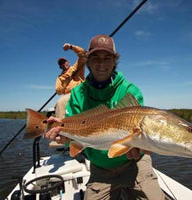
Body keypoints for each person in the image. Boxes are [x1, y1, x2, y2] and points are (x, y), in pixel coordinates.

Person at [46, 34, 165, 200]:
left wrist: (143, 146)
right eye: (95, 58)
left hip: (134, 164)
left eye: (107, 58)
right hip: (100, 169)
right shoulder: (78, 94)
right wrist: (64, 135)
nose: (101, 64)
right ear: (87, 61)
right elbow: (72, 134)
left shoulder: (130, 91)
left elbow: (142, 135)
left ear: (115, 61)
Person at [54, 43, 86, 119]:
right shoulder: (59, 78)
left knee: (61, 102)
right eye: (61, 64)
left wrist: (71, 47)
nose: (63, 64)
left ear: (68, 62)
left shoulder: (76, 67)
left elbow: (84, 54)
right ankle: (61, 127)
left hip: (81, 92)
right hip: (68, 96)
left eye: (64, 62)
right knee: (59, 103)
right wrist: (66, 81)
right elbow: (59, 91)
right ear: (60, 67)